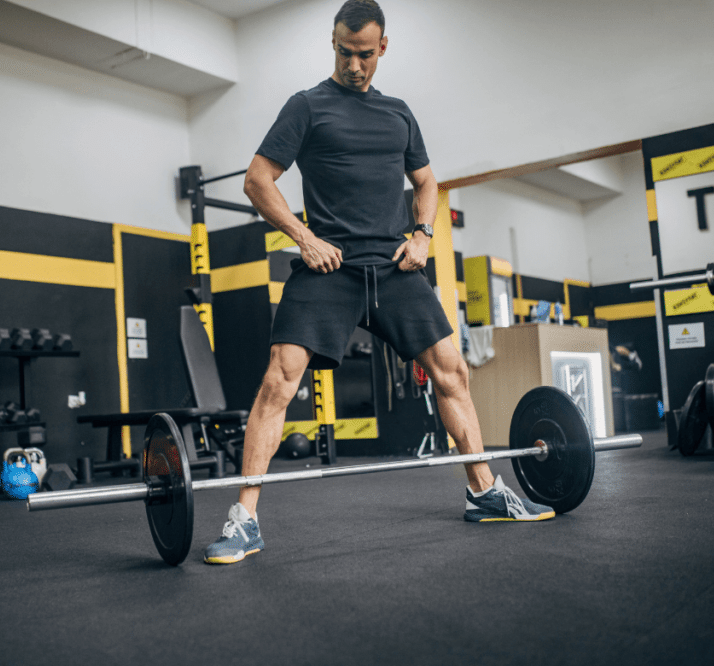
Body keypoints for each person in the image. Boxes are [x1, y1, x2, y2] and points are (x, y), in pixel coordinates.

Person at [204, 0, 554, 566]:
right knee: (278, 381)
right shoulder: (307, 106)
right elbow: (257, 180)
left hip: (397, 268)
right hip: (330, 268)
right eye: (345, 51)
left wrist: (422, 234)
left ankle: (484, 491)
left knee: (454, 372)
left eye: (365, 54)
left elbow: (427, 181)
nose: (354, 65)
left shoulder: (399, 113)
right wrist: (303, 238)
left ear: (382, 48)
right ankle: (244, 520)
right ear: (333, 42)